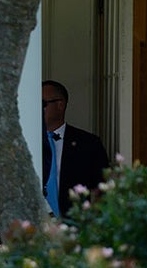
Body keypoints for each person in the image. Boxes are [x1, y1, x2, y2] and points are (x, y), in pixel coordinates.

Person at [42, 79, 109, 217]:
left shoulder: (89, 144)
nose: (36, 108)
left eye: (42, 104)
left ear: (60, 105)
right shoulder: (27, 141)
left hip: (74, 226)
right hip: (31, 228)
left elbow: (102, 189)